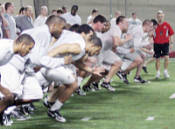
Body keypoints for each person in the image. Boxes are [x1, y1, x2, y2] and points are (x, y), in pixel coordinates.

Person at [153, 10, 174, 79]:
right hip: (156, 44)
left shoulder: (167, 25)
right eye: (159, 16)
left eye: (161, 16)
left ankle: (165, 71)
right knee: (157, 59)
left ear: (163, 16)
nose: (160, 17)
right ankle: (158, 73)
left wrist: (171, 43)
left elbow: (171, 34)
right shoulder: (154, 26)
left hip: (165, 44)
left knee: (167, 57)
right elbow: (150, 34)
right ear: (157, 17)